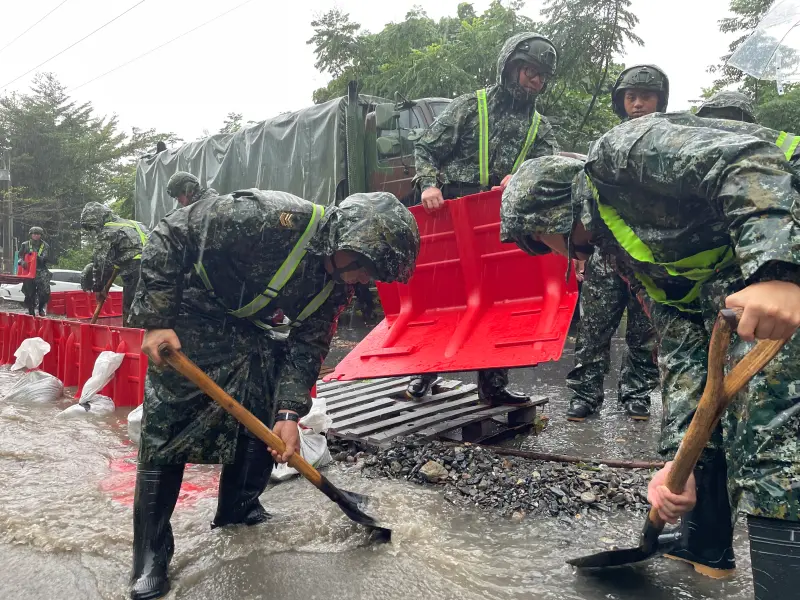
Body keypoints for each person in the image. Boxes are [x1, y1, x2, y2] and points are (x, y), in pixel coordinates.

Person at [500, 115, 800, 599]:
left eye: (541, 244)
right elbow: (682, 344)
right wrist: (678, 460)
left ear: (546, 216)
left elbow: (751, 164)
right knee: (721, 424)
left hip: (786, 224)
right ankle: (706, 550)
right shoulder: (620, 250)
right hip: (755, 272)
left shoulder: (621, 153)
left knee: (771, 429)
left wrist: (777, 271)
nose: (558, 255)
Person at [127, 189, 419, 600]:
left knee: (262, 416)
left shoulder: (336, 286)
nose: (366, 281)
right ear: (347, 244)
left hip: (254, 331)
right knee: (168, 428)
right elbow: (172, 232)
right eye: (367, 270)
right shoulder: (267, 217)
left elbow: (309, 345)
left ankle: (238, 511)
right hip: (193, 314)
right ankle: (151, 555)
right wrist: (155, 320)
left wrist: (289, 413)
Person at [406, 31, 560, 405]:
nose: (536, 82)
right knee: (445, 295)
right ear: (510, 67)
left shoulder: (540, 126)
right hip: (454, 217)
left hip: (502, 225)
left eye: (541, 77)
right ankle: (425, 373)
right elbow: (427, 147)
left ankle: (493, 386)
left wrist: (524, 176)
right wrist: (428, 184)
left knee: (500, 300)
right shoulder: (470, 107)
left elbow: (554, 168)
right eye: (530, 73)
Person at [564, 64, 668, 422]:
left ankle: (637, 394)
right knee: (593, 329)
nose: (637, 104)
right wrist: (579, 252)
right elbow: (585, 196)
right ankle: (585, 395)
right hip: (606, 255)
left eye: (646, 97)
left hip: (649, 258)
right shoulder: (604, 144)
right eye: (631, 97)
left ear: (660, 100)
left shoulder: (669, 143)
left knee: (644, 333)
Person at [80, 202, 149, 325]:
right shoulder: (136, 224)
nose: (94, 231)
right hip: (155, 267)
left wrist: (98, 288)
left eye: (92, 227)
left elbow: (101, 262)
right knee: (150, 306)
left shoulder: (108, 230)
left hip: (135, 270)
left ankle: (131, 338)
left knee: (132, 309)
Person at [18, 226, 52, 316]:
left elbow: (46, 258)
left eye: (38, 234)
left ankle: (41, 308)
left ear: (41, 235)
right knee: (29, 292)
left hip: (41, 270)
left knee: (45, 292)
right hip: (28, 271)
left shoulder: (45, 245)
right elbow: (20, 256)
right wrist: (22, 262)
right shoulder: (25, 244)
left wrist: (36, 257)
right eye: (34, 234)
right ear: (31, 234)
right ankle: (31, 310)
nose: (36, 236)